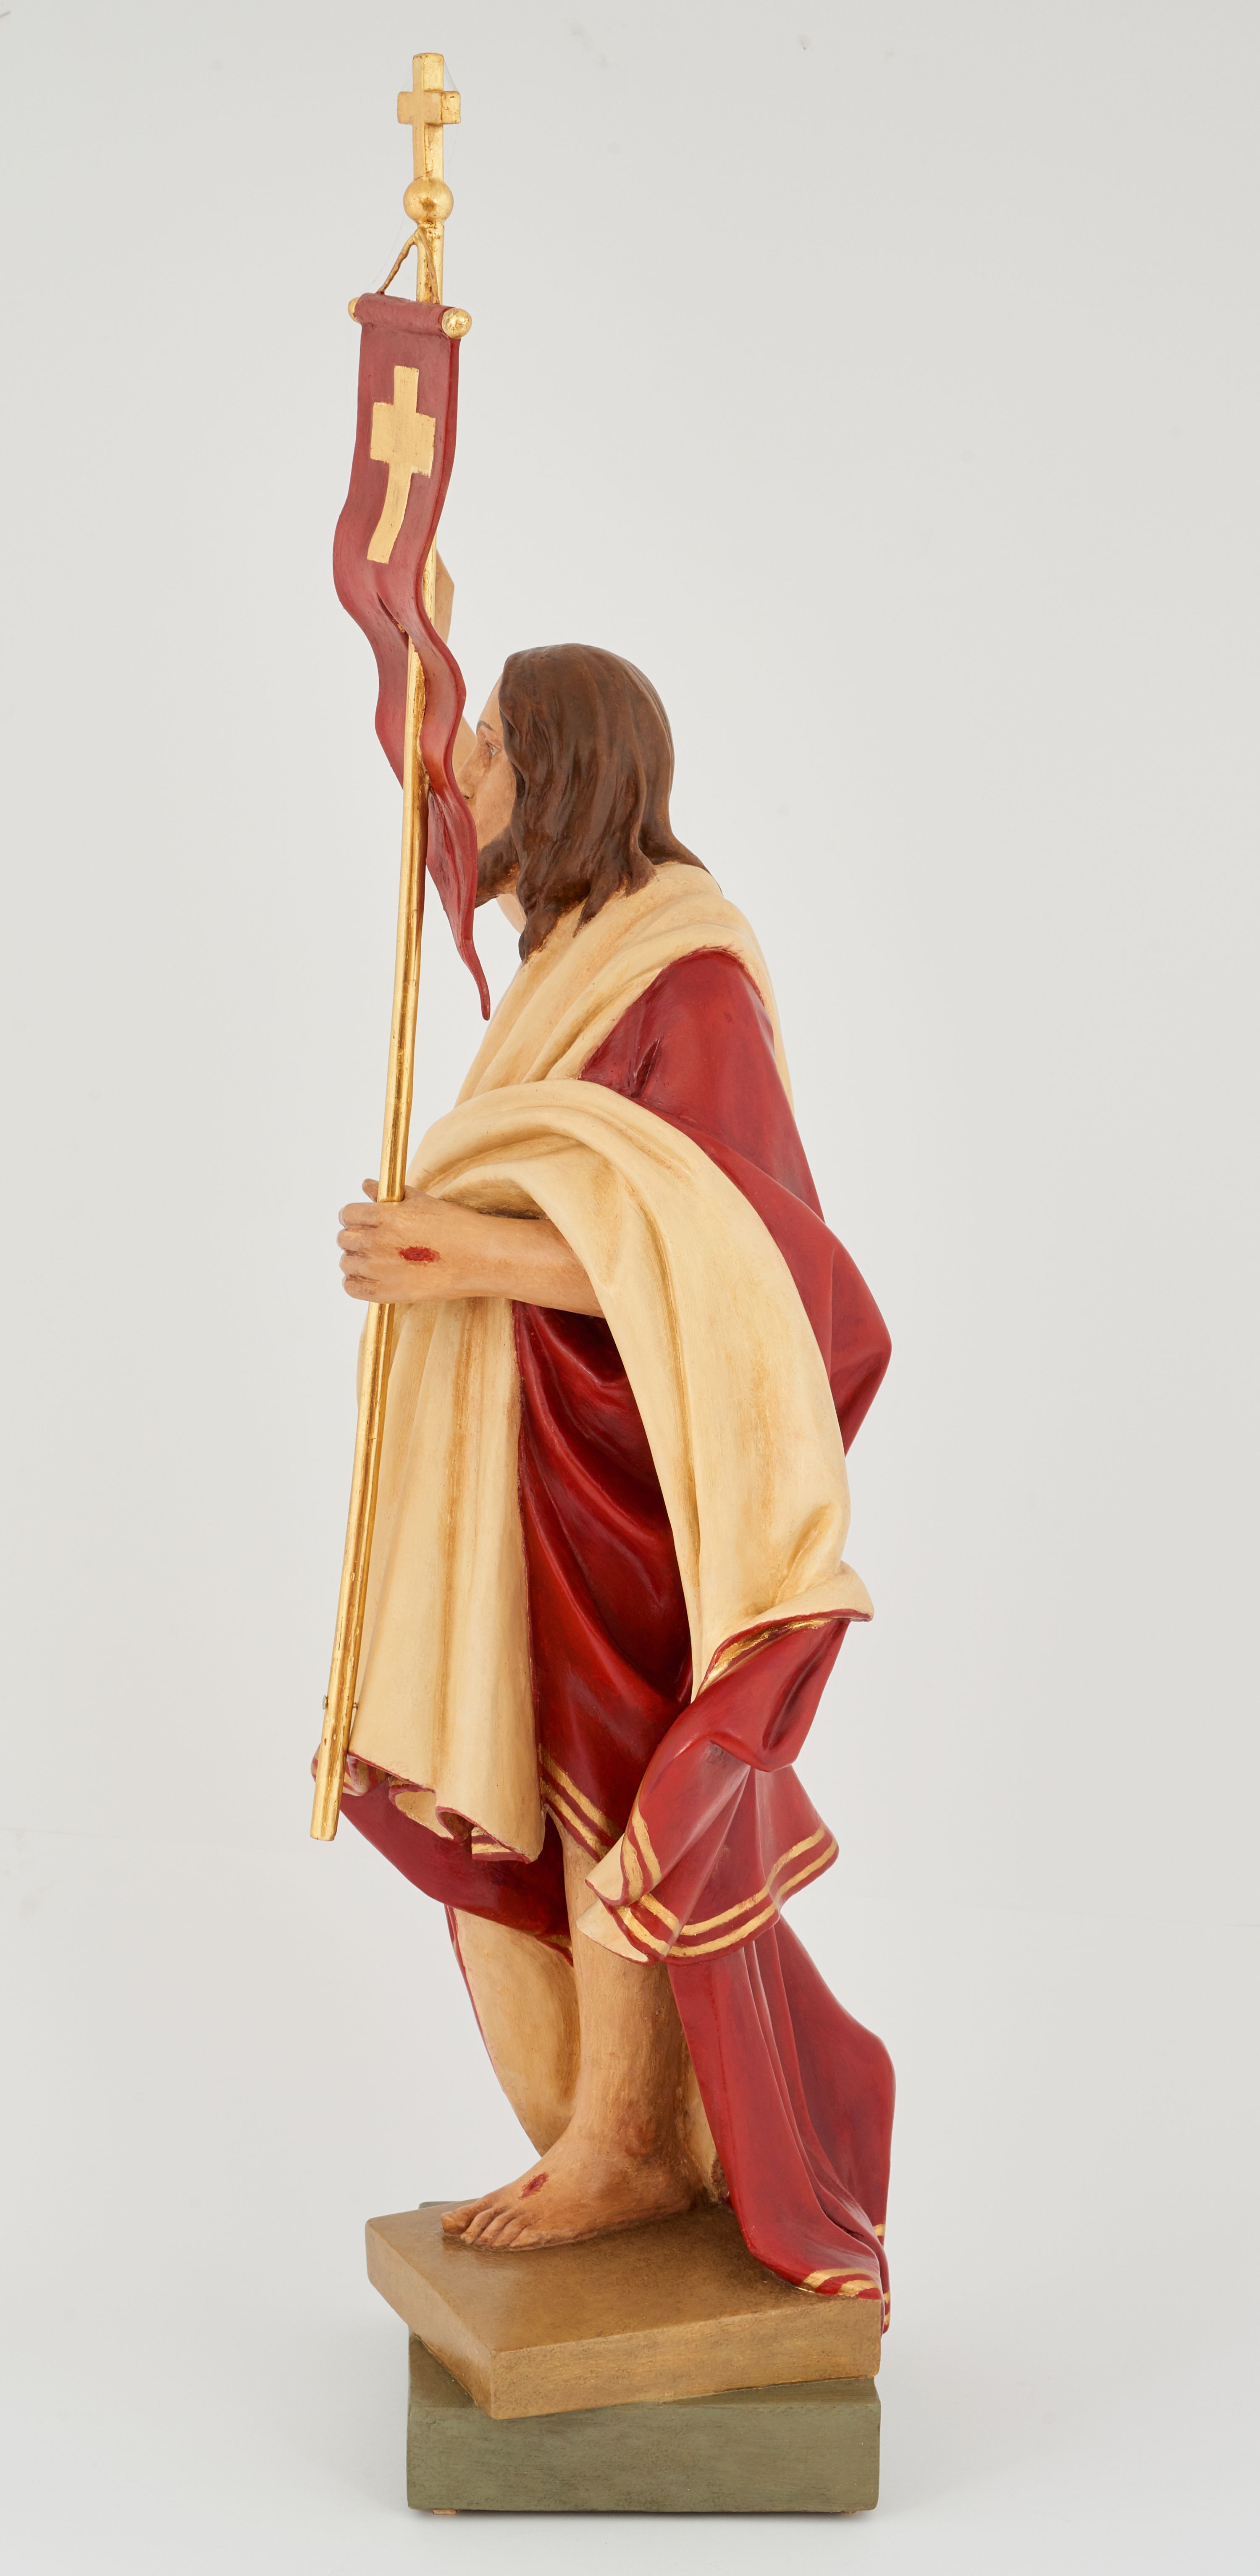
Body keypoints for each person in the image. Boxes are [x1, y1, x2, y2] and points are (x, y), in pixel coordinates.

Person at [334, 643, 895, 2308]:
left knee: (609, 1775)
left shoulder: (686, 978)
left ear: (570, 776)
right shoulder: (576, 954)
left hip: (640, 1476)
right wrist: (410, 670)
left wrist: (467, 1254)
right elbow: (445, 838)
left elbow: (738, 1260)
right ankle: (614, 2127)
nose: (468, 788)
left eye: (493, 756)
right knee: (544, 1763)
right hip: (536, 1450)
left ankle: (632, 2143)